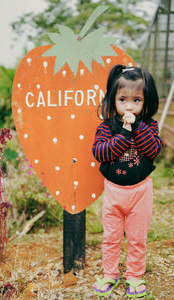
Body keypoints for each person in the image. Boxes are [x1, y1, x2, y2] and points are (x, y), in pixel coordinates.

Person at [92, 64, 163, 298]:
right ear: (113, 100)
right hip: (113, 192)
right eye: (123, 99)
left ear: (146, 102)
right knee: (110, 237)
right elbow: (101, 153)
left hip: (140, 192)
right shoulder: (107, 127)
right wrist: (123, 133)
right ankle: (109, 274)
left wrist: (137, 128)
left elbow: (153, 150)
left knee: (136, 238)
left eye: (136, 100)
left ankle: (134, 276)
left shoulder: (149, 126)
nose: (129, 106)